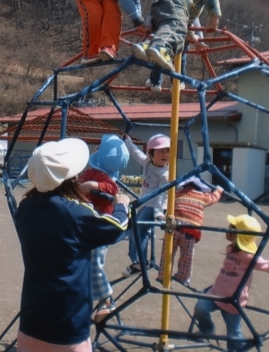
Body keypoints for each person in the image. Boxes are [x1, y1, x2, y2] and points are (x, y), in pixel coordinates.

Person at [15, 138, 131, 351]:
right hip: (68, 325)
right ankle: (106, 299)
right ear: (70, 179)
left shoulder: (25, 208)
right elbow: (116, 227)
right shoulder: (74, 213)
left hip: (31, 321)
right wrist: (122, 205)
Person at [194, 214, 269, 352]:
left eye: (231, 229)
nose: (228, 230)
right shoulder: (230, 248)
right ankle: (207, 330)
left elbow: (267, 265)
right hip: (216, 293)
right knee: (200, 307)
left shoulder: (249, 257)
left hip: (234, 301)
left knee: (234, 334)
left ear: (239, 235)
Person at [78, 134, 130, 322]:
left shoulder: (104, 177)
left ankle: (107, 300)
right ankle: (94, 296)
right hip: (90, 224)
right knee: (86, 260)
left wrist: (93, 185)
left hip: (103, 225)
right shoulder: (89, 171)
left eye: (99, 147)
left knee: (95, 263)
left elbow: (112, 189)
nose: (95, 149)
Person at [156, 176, 223, 285]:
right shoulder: (203, 197)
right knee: (187, 257)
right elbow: (213, 198)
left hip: (173, 229)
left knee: (167, 254)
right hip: (190, 232)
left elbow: (168, 206)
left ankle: (163, 276)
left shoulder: (177, 195)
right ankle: (183, 278)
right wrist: (219, 190)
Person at [122, 133, 170, 277]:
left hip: (154, 207)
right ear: (151, 152)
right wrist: (128, 142)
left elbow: (163, 194)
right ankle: (139, 261)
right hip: (144, 204)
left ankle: (139, 263)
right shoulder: (148, 163)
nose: (165, 155)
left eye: (167, 151)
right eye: (161, 151)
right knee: (135, 231)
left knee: (140, 231)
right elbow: (137, 154)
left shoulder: (165, 174)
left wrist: (159, 213)